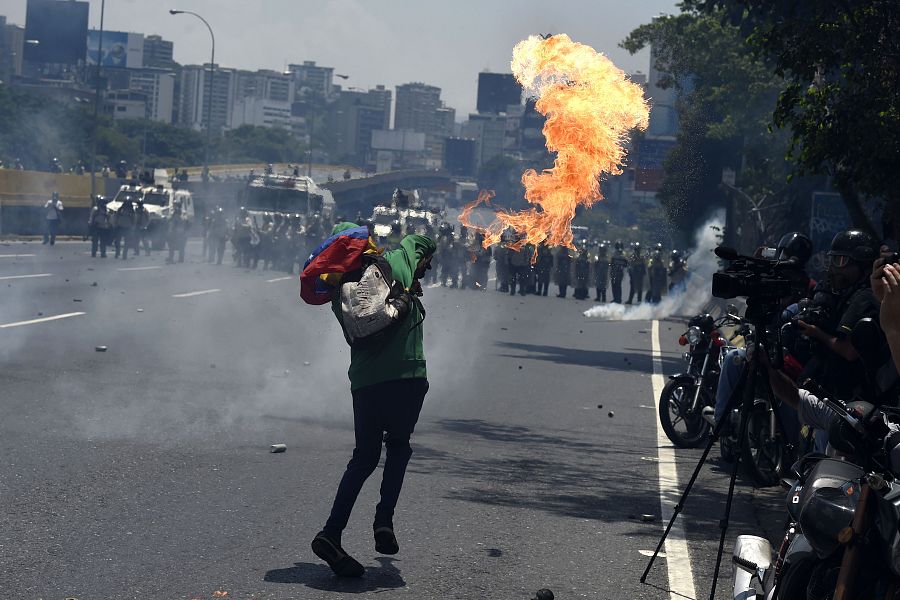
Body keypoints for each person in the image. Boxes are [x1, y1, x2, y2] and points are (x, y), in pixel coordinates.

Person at [312, 225, 436, 578]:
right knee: (398, 446)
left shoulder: (340, 294)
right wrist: (415, 269)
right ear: (367, 245)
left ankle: (331, 533)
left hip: (365, 385)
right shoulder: (396, 262)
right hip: (408, 377)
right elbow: (423, 241)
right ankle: (384, 520)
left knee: (364, 458)